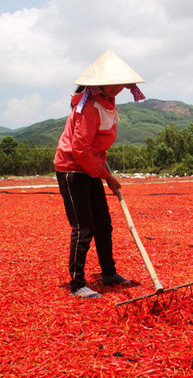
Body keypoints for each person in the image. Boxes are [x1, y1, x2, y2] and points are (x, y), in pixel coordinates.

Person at [54, 50, 146, 298]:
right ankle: (77, 284)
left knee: (103, 224)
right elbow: (81, 150)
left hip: (90, 167)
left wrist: (104, 170)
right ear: (99, 84)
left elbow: (96, 148)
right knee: (83, 227)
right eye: (112, 82)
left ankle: (108, 273)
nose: (117, 87)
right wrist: (107, 175)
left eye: (120, 82)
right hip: (73, 169)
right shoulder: (90, 107)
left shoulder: (107, 102)